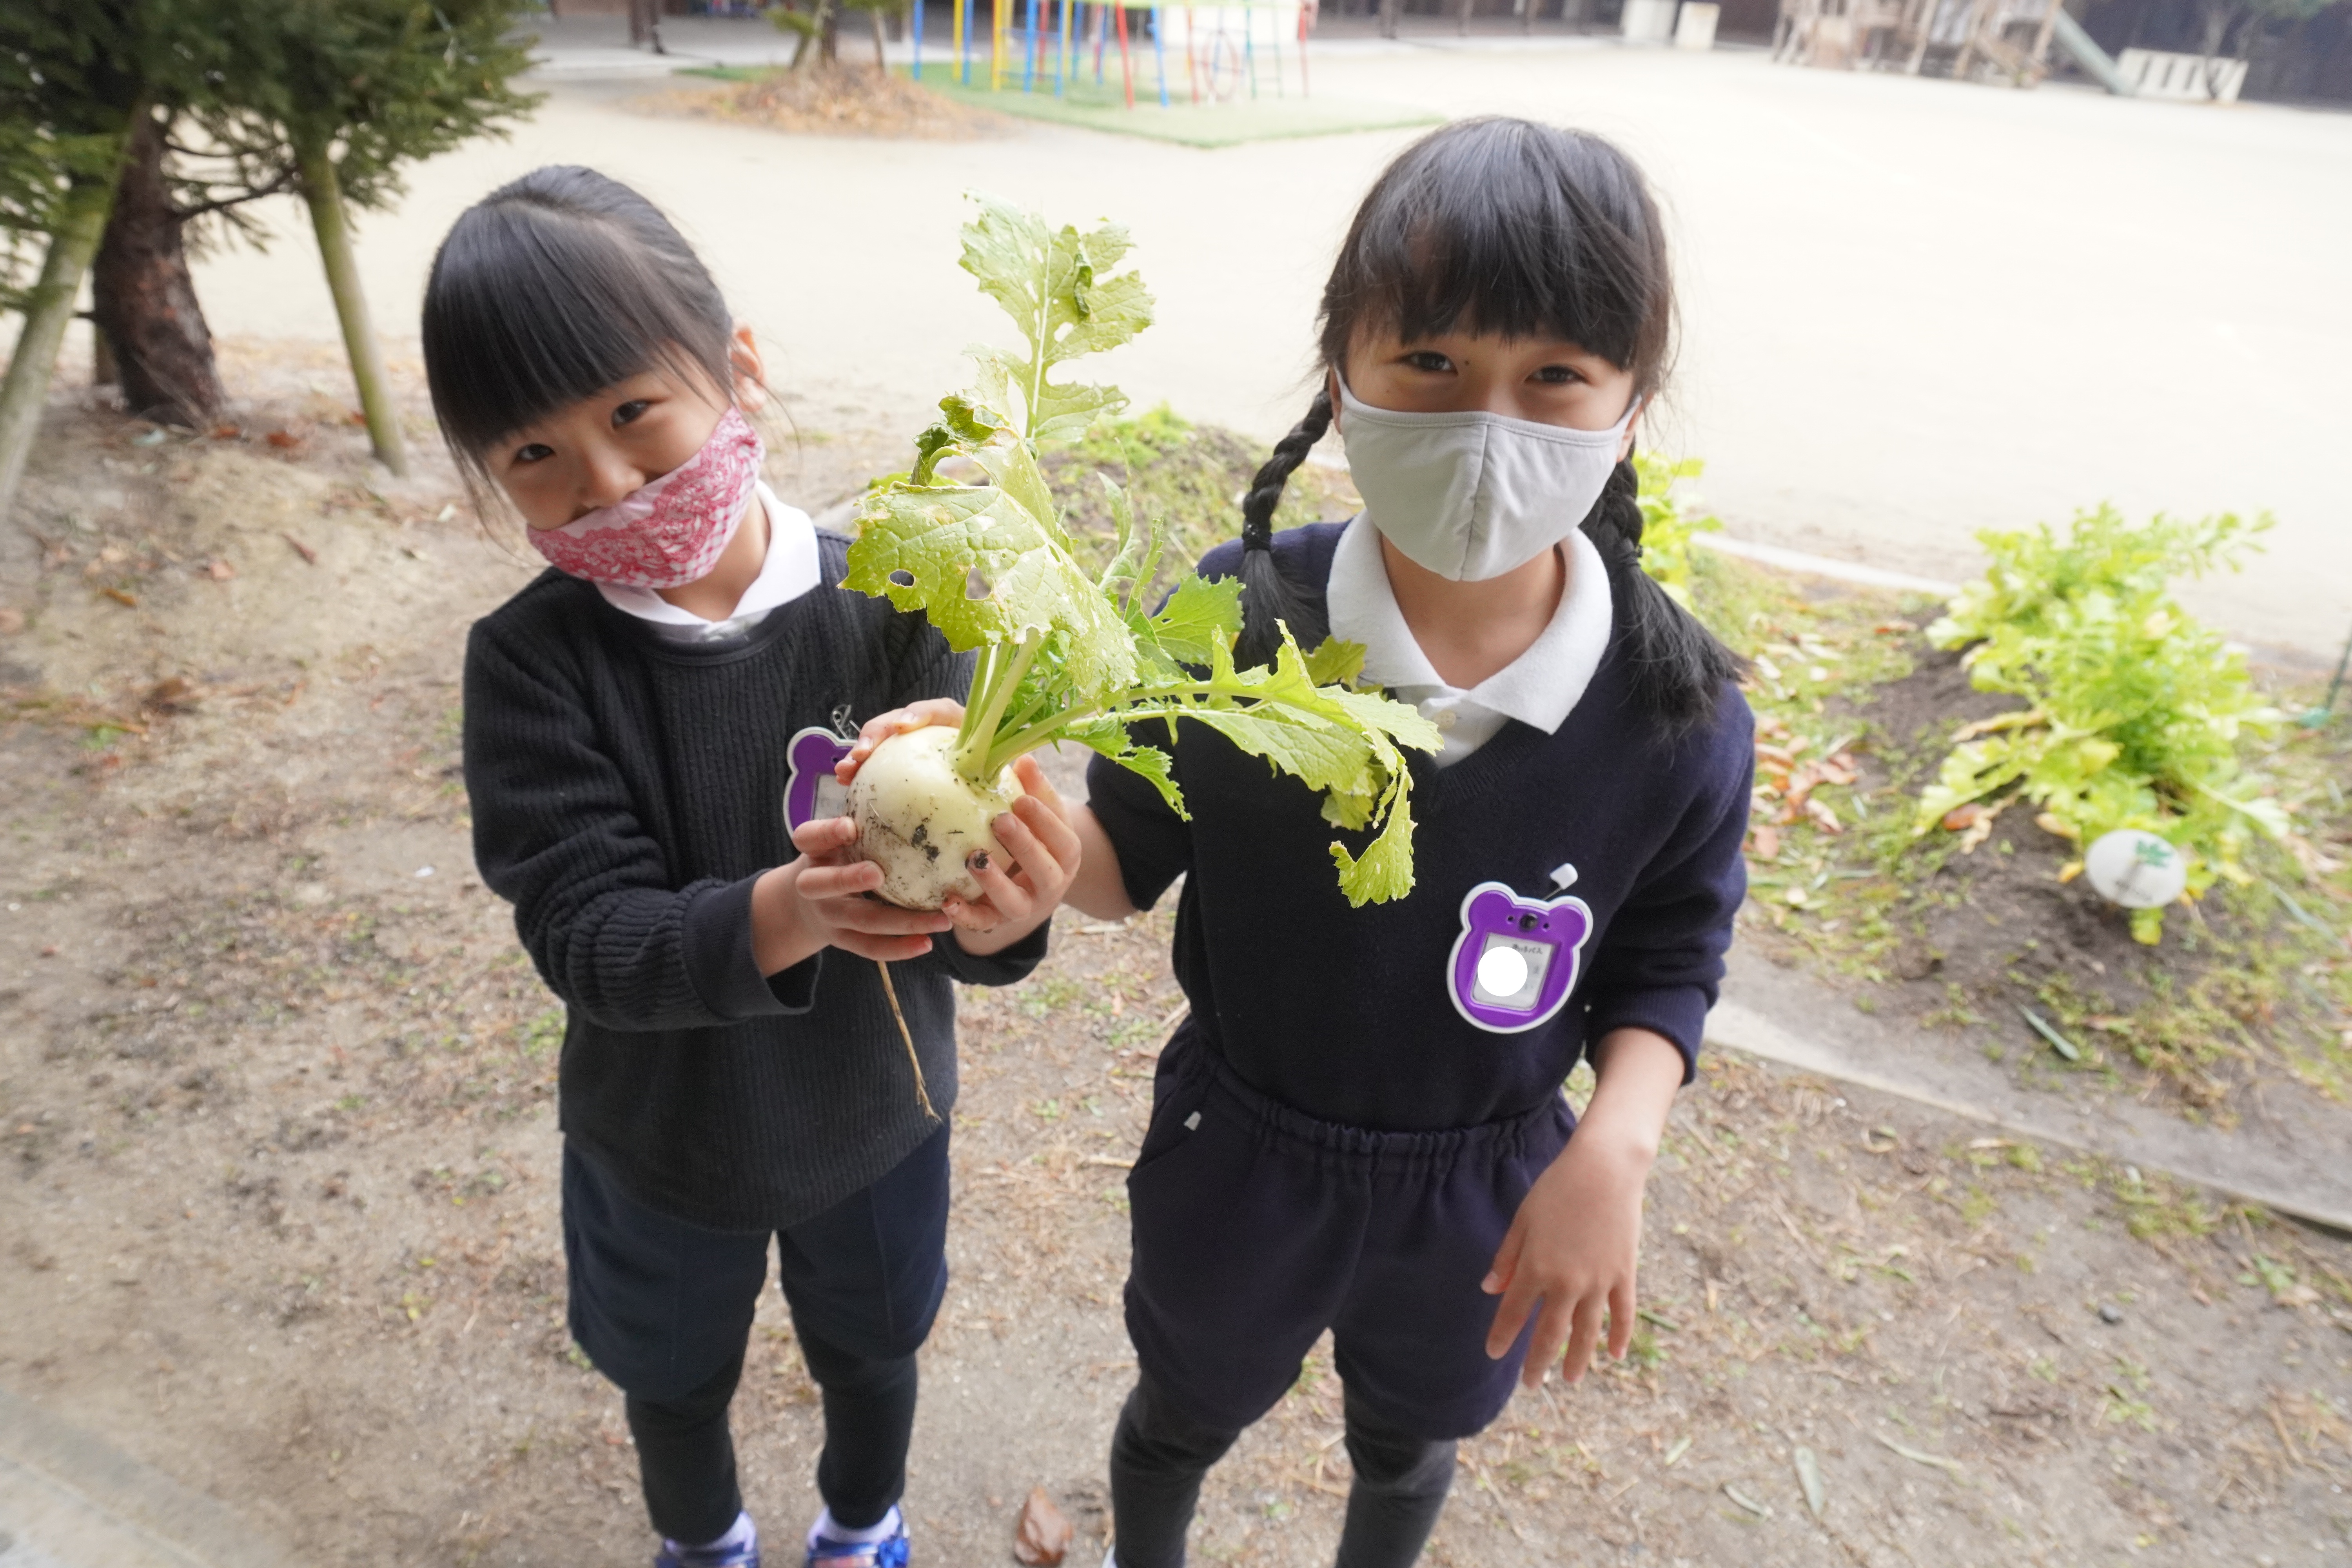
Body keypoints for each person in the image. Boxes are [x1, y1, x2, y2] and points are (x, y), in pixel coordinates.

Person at [849, 115, 1751, 1568]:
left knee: (1413, 1437)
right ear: (1345, 377)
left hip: (1494, 1176)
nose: (1486, 427)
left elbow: (1674, 954)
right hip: (1242, 1147)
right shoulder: (1243, 618)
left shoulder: (1675, 707)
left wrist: (1616, 1149)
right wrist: (1004, 831)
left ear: (1635, 403)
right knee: (1185, 1405)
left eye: (1556, 379)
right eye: (1434, 366)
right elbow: (1119, 861)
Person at [427, 166, 1081, 1568]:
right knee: (670, 1373)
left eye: (630, 413)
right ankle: (705, 1543)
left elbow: (982, 909)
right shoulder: (533, 668)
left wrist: (1016, 901)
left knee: (875, 1345)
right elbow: (587, 936)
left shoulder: (902, 590)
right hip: (661, 1134)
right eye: (535, 455)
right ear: (494, 476)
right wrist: (786, 910)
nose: (608, 480)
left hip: (876, 1107)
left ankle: (862, 1527)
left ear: (736, 370)